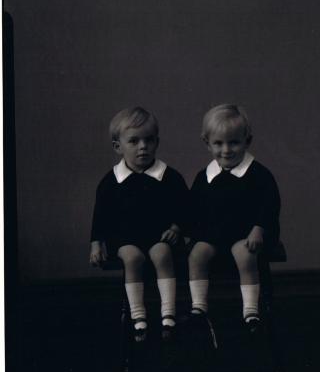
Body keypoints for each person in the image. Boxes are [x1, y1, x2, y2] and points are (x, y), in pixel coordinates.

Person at [89, 107, 188, 343]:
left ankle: (168, 313)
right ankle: (138, 317)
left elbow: (186, 208)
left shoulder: (169, 177)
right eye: (133, 141)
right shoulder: (111, 181)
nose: (142, 146)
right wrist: (96, 243)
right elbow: (100, 215)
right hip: (125, 238)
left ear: (157, 142)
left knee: (162, 253)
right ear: (118, 146)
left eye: (148, 140)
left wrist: (176, 228)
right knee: (132, 258)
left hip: (158, 237)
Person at [188, 104, 281, 335]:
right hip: (214, 234)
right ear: (207, 143)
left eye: (234, 142)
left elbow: (269, 205)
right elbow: (193, 208)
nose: (226, 150)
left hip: (246, 234)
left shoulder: (258, 174)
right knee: (197, 254)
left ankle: (250, 309)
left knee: (244, 254)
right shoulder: (205, 177)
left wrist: (259, 228)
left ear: (247, 141)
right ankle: (198, 305)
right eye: (218, 143)